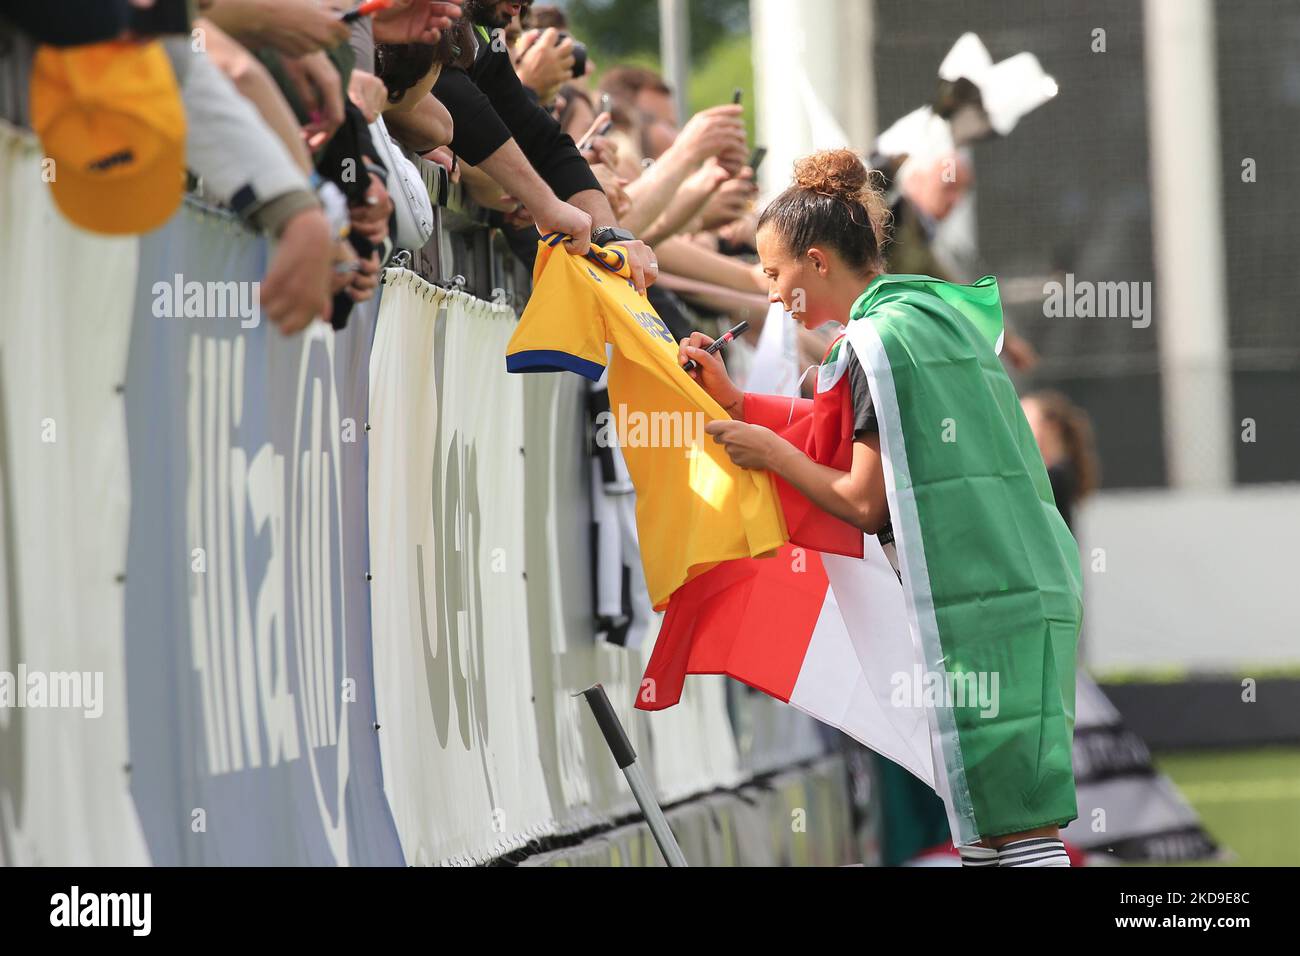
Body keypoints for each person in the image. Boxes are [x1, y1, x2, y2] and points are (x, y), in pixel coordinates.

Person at [680, 149, 1082, 866]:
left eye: (774, 274)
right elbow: (834, 436)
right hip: (1016, 582)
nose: (770, 295)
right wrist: (741, 403)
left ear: (816, 261)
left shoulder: (875, 341)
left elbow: (862, 500)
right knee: (997, 817)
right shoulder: (930, 313)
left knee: (1010, 826)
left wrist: (764, 451)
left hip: (979, 600)